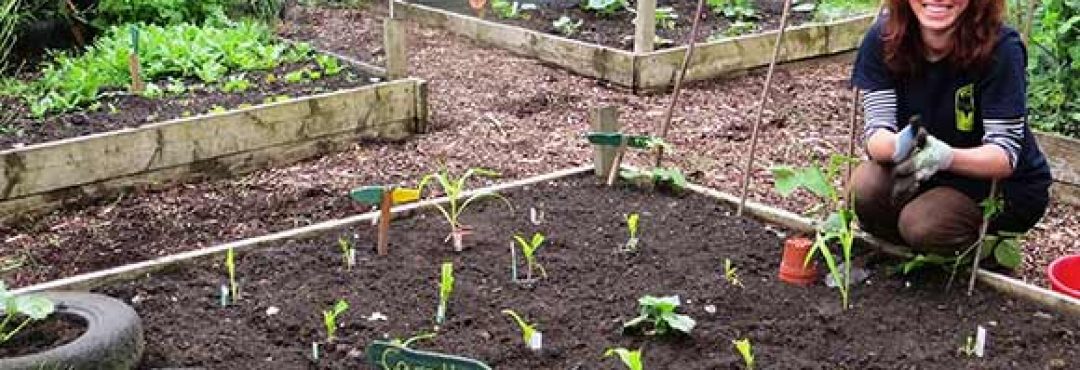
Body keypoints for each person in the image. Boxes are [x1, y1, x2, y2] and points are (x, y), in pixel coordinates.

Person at [849, 0, 1053, 256]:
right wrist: (895, 145)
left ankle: (985, 248)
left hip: (993, 184)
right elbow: (877, 130)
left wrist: (945, 156)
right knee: (865, 187)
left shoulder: (1000, 48)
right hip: (920, 169)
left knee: (925, 224)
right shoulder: (886, 38)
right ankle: (904, 250)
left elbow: (1004, 156)